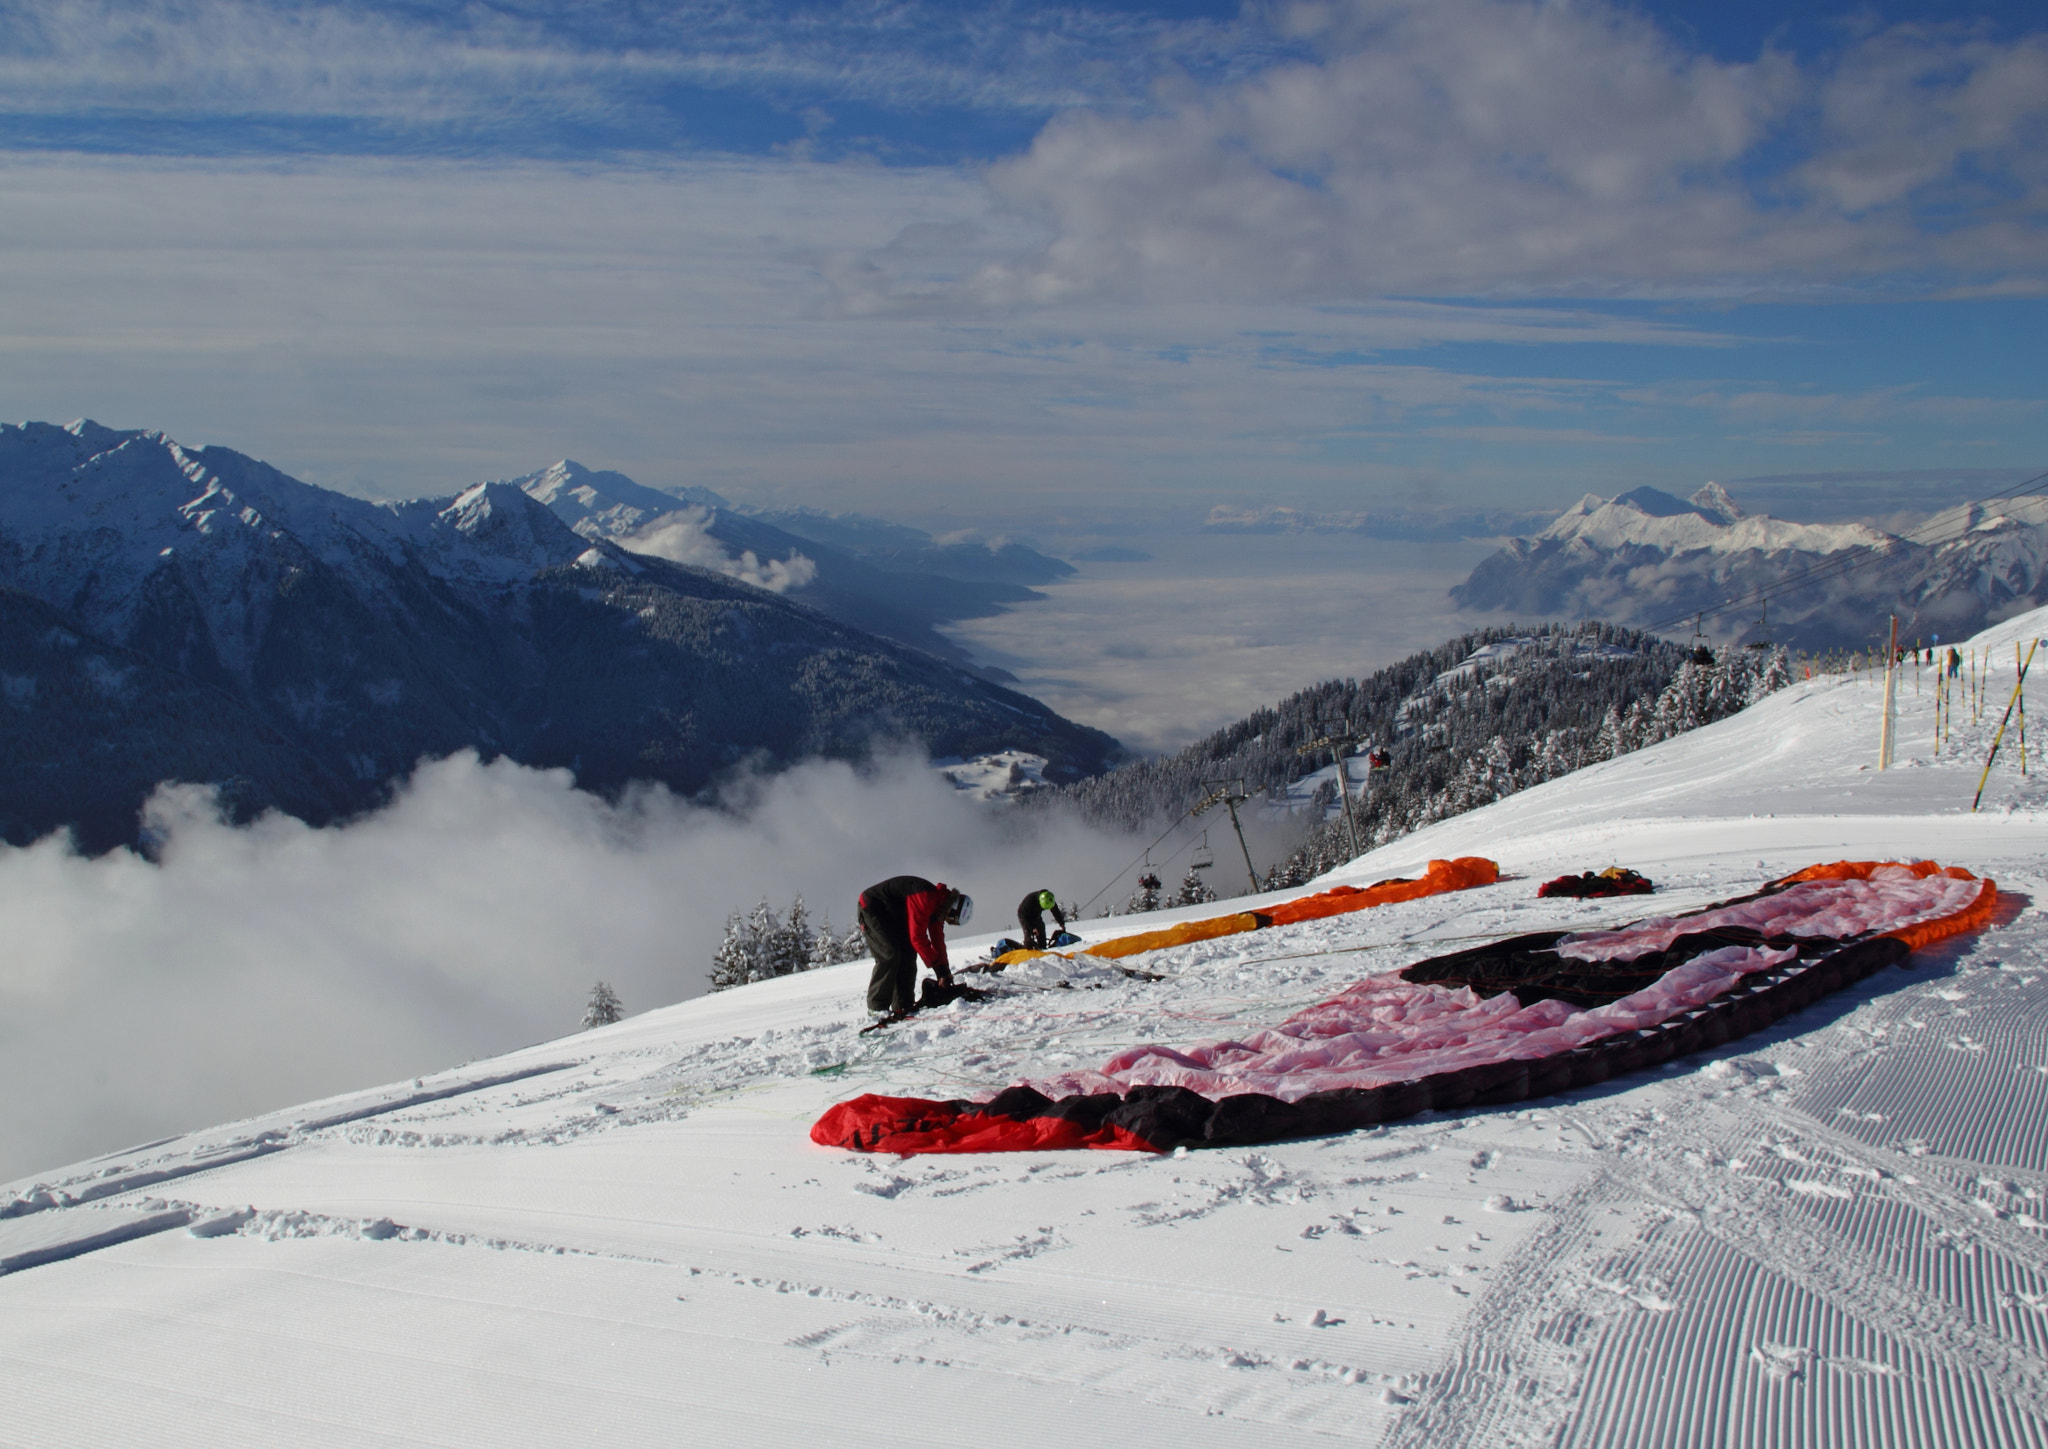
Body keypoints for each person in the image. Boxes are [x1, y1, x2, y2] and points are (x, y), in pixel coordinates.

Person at [857, 876, 971, 1019]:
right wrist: (938, 969)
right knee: (890, 953)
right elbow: (918, 938)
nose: (949, 922)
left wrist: (944, 972)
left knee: (908, 954)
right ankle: (877, 1007)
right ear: (952, 909)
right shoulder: (926, 897)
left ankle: (903, 1004)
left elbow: (938, 942)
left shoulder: (939, 907)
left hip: (893, 916)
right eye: (952, 919)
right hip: (872, 908)